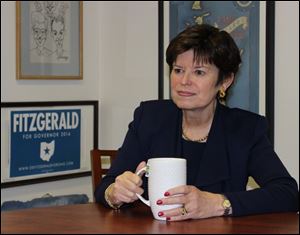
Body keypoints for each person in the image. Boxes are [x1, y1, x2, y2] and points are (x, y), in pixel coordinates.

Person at [95, 24, 299, 221]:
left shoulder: (245, 128)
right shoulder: (149, 118)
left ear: (225, 81)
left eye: (199, 72)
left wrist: (218, 203)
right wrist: (115, 193)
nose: (184, 81)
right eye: (178, 70)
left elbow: (287, 194)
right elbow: (107, 185)